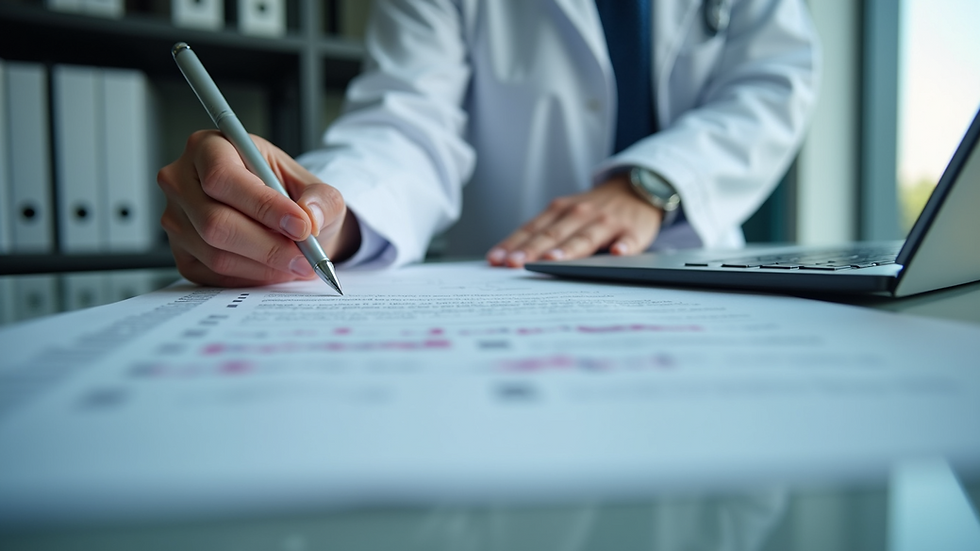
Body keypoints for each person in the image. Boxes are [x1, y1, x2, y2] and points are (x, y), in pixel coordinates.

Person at [157, 0, 820, 288]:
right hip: (508, 285)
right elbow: (406, 124)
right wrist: (326, 215)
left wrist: (650, 183)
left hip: (694, 267)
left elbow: (776, 81)